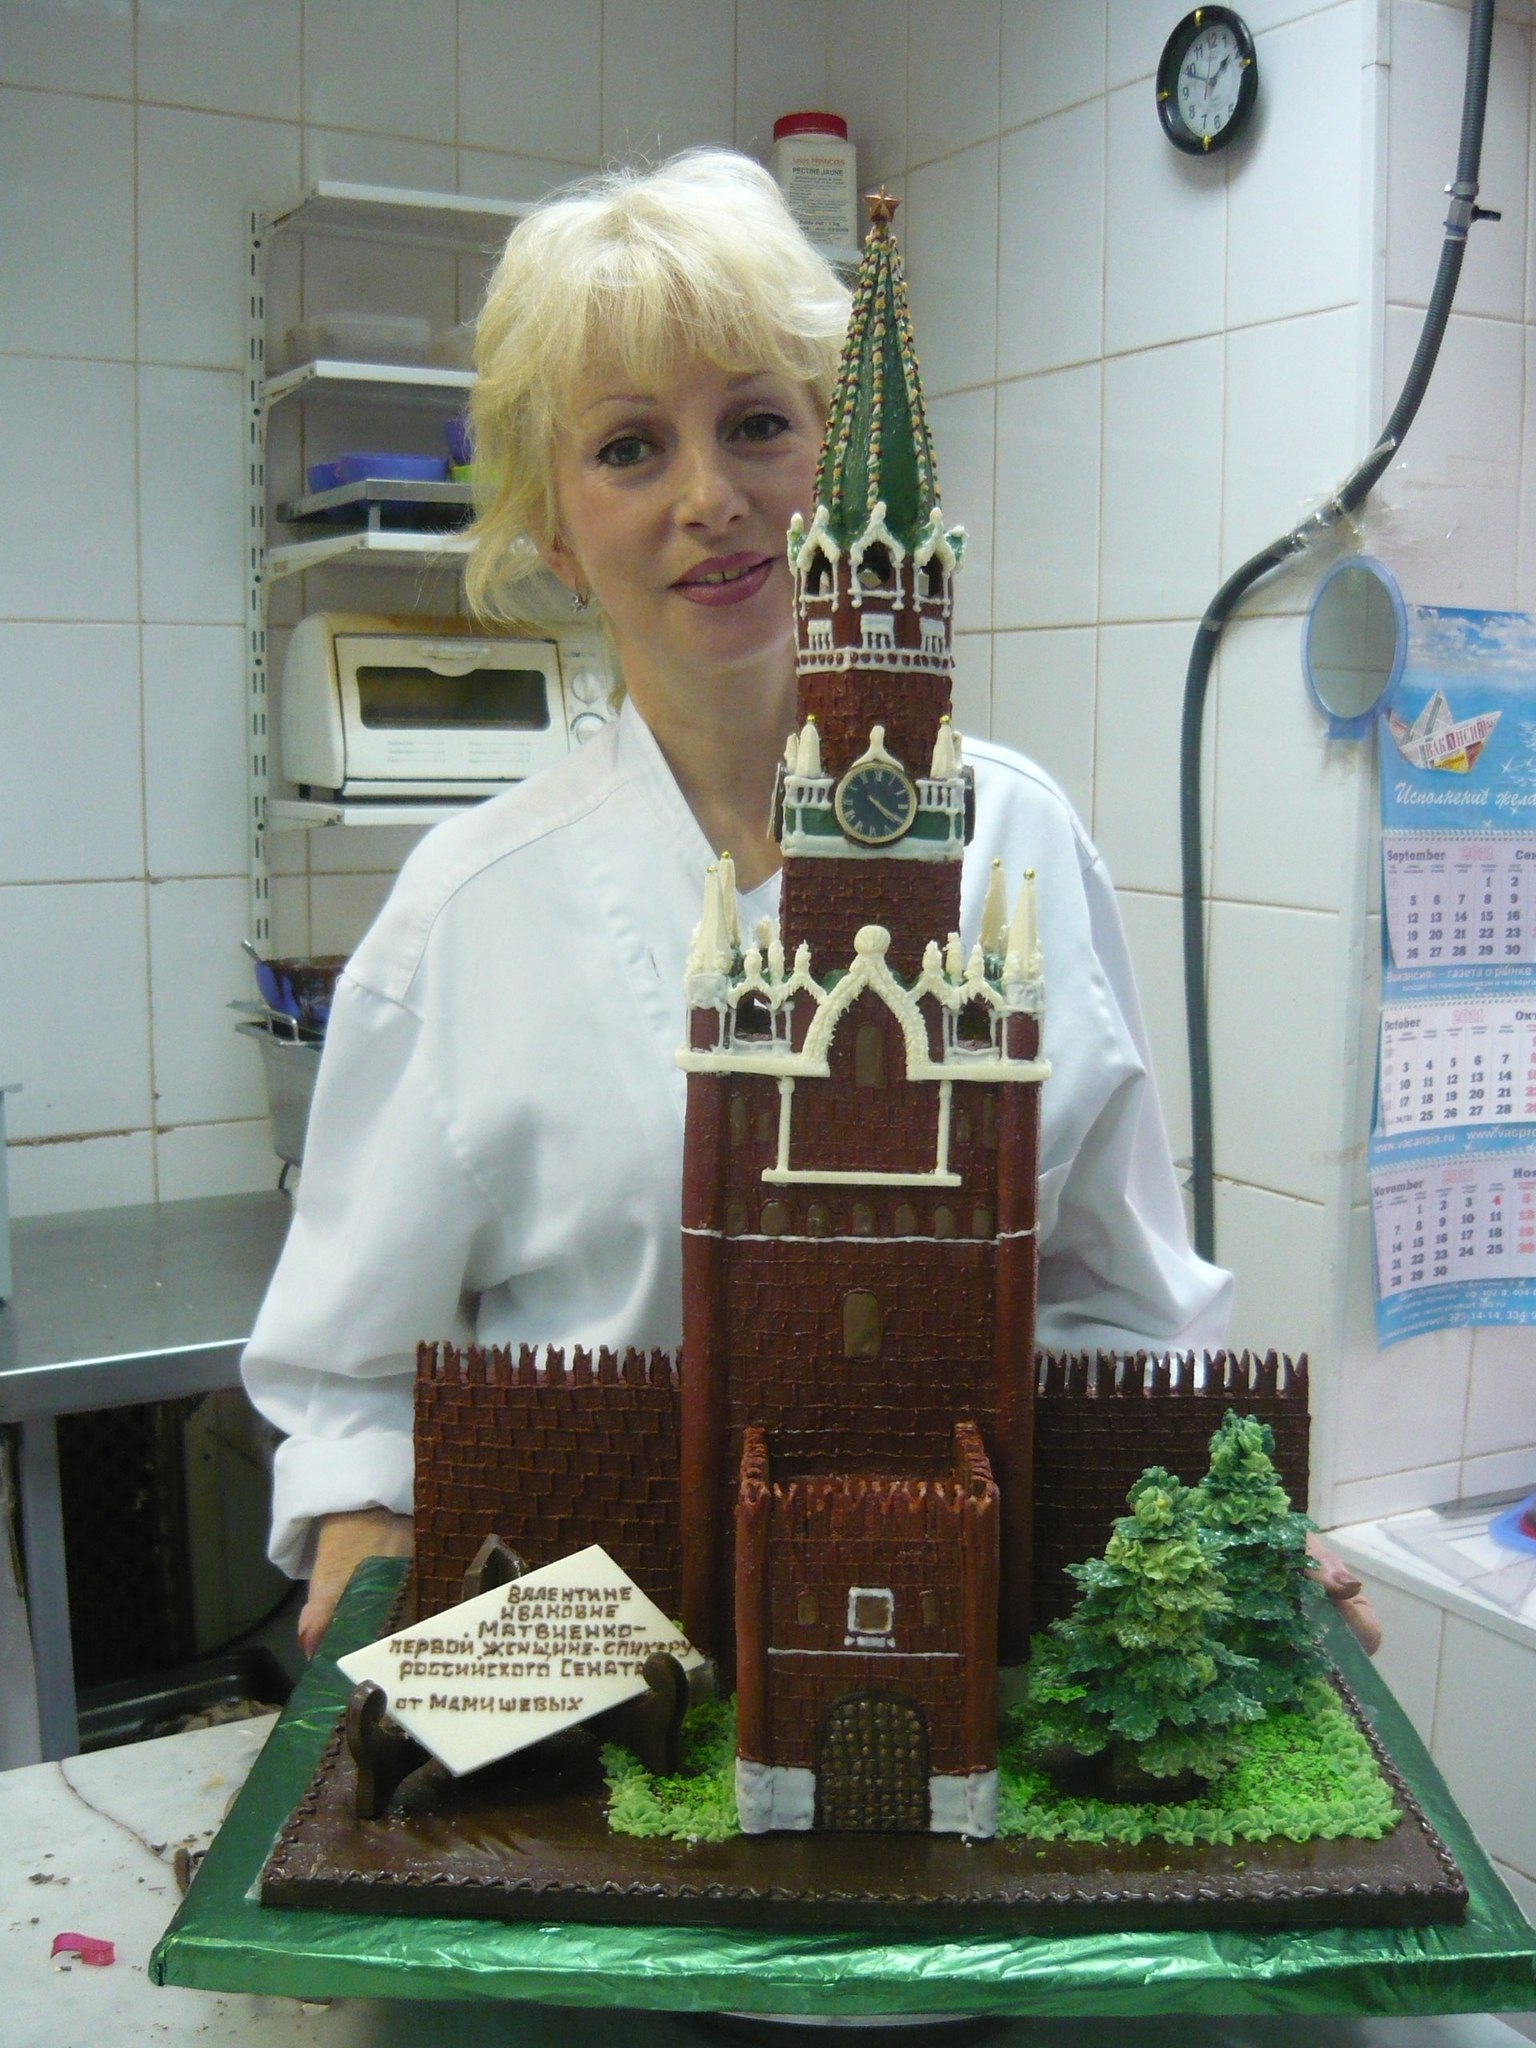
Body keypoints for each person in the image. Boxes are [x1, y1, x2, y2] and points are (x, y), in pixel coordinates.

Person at [242, 149, 1375, 1659]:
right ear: (556, 533)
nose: (711, 498)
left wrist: (1211, 1530)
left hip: (966, 1619)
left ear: (839, 468)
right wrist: (362, 1528)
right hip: (601, 1655)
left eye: (759, 424)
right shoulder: (468, 915)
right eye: (630, 448)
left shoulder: (1018, 842)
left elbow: (1120, 1304)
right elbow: (354, 1388)